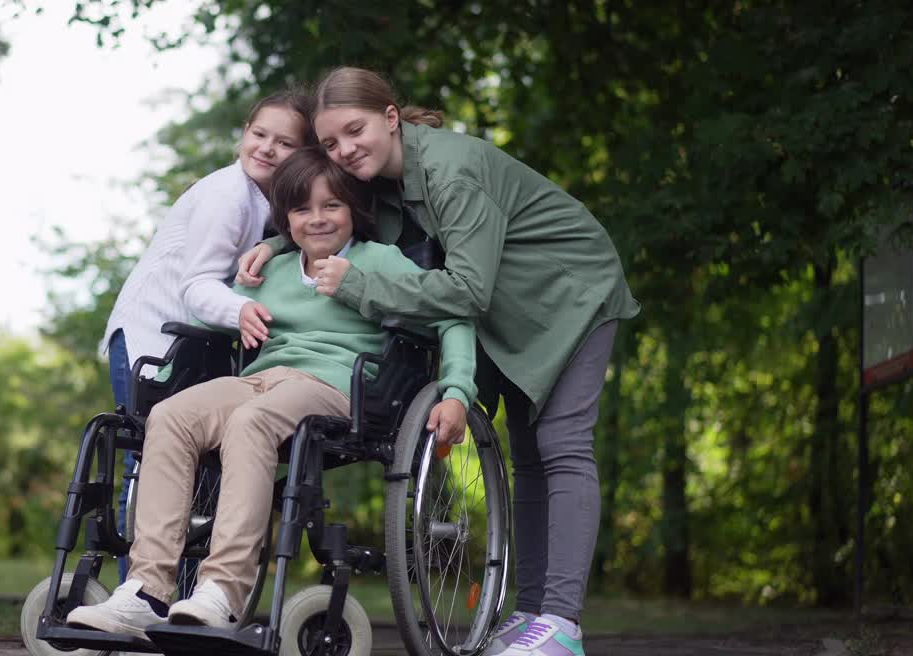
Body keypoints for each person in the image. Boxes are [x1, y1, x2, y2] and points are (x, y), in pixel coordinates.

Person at [237, 67, 640, 656]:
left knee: (562, 446)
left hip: (568, 294)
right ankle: (532, 616)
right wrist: (273, 244)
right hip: (504, 315)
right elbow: (326, 218)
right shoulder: (374, 181)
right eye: (330, 143)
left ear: (391, 117)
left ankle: (562, 623)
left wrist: (356, 289)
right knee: (525, 459)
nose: (345, 151)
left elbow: (469, 290)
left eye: (356, 131)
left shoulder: (452, 170)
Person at [67, 147, 477, 641]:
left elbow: (451, 314)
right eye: (302, 209)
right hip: (261, 378)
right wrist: (219, 306)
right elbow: (211, 314)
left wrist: (456, 390)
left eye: (332, 206)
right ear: (286, 220)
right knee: (172, 415)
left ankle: (223, 591)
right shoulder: (272, 270)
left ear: (353, 209)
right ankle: (147, 591)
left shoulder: (381, 261)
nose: (318, 219)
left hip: (336, 383)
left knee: (251, 422)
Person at [101, 89, 313, 584]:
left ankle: (183, 592)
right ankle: (135, 584)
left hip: (196, 342)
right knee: (147, 454)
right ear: (243, 133)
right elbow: (197, 287)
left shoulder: (269, 204)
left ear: (302, 154)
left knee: (200, 461)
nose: (265, 148)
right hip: (153, 336)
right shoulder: (226, 195)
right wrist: (245, 311)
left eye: (283, 143)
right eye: (258, 134)